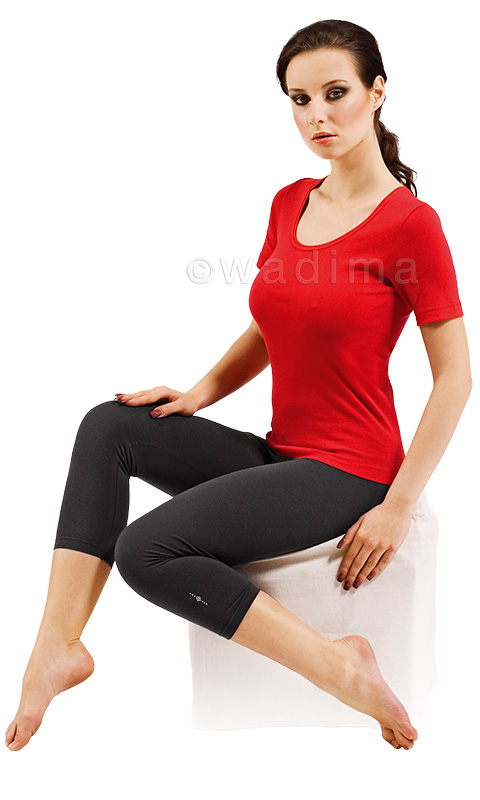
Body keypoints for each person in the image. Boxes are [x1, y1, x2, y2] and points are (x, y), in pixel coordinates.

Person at [5, 18, 471, 754]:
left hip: (350, 471)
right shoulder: (291, 202)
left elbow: (456, 377)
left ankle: (338, 666)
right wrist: (199, 394)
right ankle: (57, 647)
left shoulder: (412, 226)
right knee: (109, 426)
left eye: (336, 93)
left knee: (146, 549)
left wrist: (398, 504)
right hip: (283, 452)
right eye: (300, 99)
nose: (317, 115)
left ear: (378, 92)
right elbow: (270, 323)